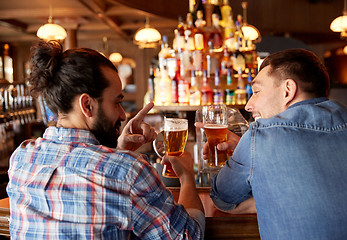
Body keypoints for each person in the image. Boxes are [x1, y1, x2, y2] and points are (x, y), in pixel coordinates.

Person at [6, 41, 204, 239]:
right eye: (117, 102)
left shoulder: (22, 158)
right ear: (87, 105)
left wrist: (119, 153)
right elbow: (189, 235)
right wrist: (186, 177)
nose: (123, 115)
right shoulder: (129, 172)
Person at [209, 49, 347, 239]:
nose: (248, 105)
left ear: (287, 90)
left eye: (256, 91)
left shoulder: (259, 135)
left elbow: (222, 198)